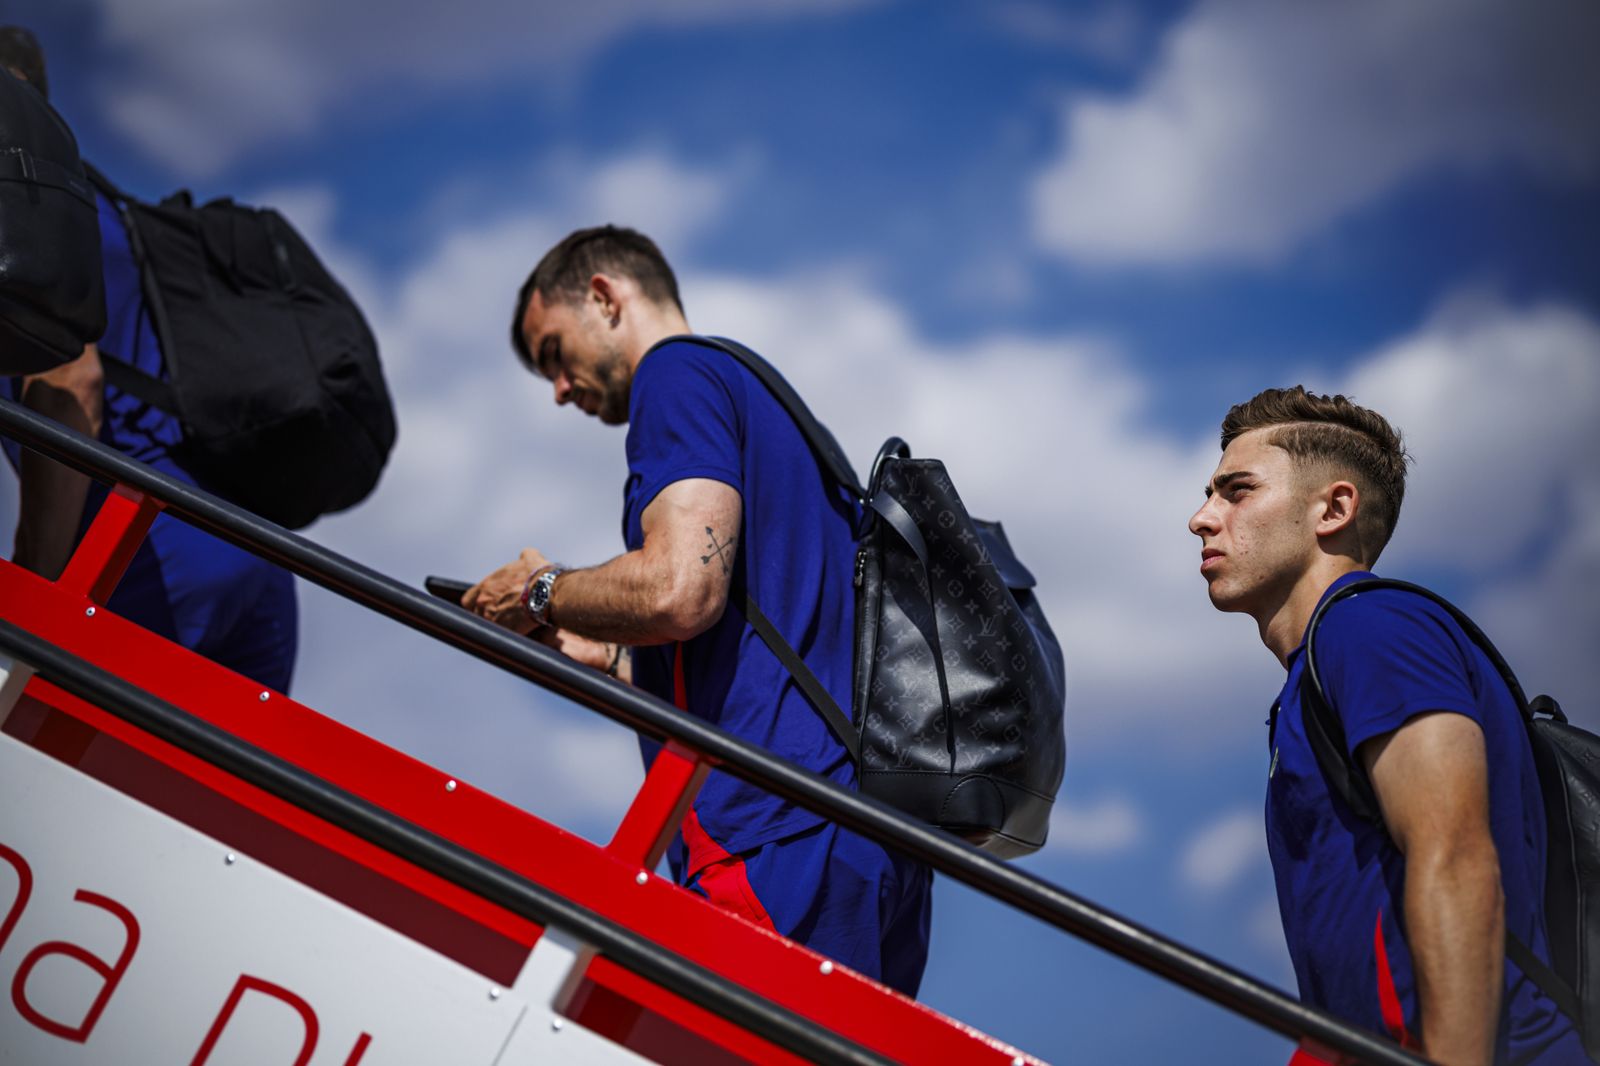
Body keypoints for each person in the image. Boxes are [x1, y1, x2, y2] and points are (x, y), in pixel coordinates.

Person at [465, 225, 931, 995]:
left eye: (552, 354)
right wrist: (607, 653)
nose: (557, 389)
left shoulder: (674, 376)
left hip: (771, 834)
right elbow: (749, 634)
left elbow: (680, 592)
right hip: (862, 836)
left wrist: (540, 589)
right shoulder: (761, 401)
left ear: (605, 297)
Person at [1188, 386, 1586, 1064]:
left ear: (1334, 509)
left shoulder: (1370, 627)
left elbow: (1455, 856)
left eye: (1237, 491)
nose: (1201, 518)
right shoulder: (1317, 669)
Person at [0, 27, 297, 693]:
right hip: (248, 550)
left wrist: (34, 586)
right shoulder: (106, 212)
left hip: (145, 551)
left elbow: (67, 380)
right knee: (213, 797)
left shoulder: (25, 210)